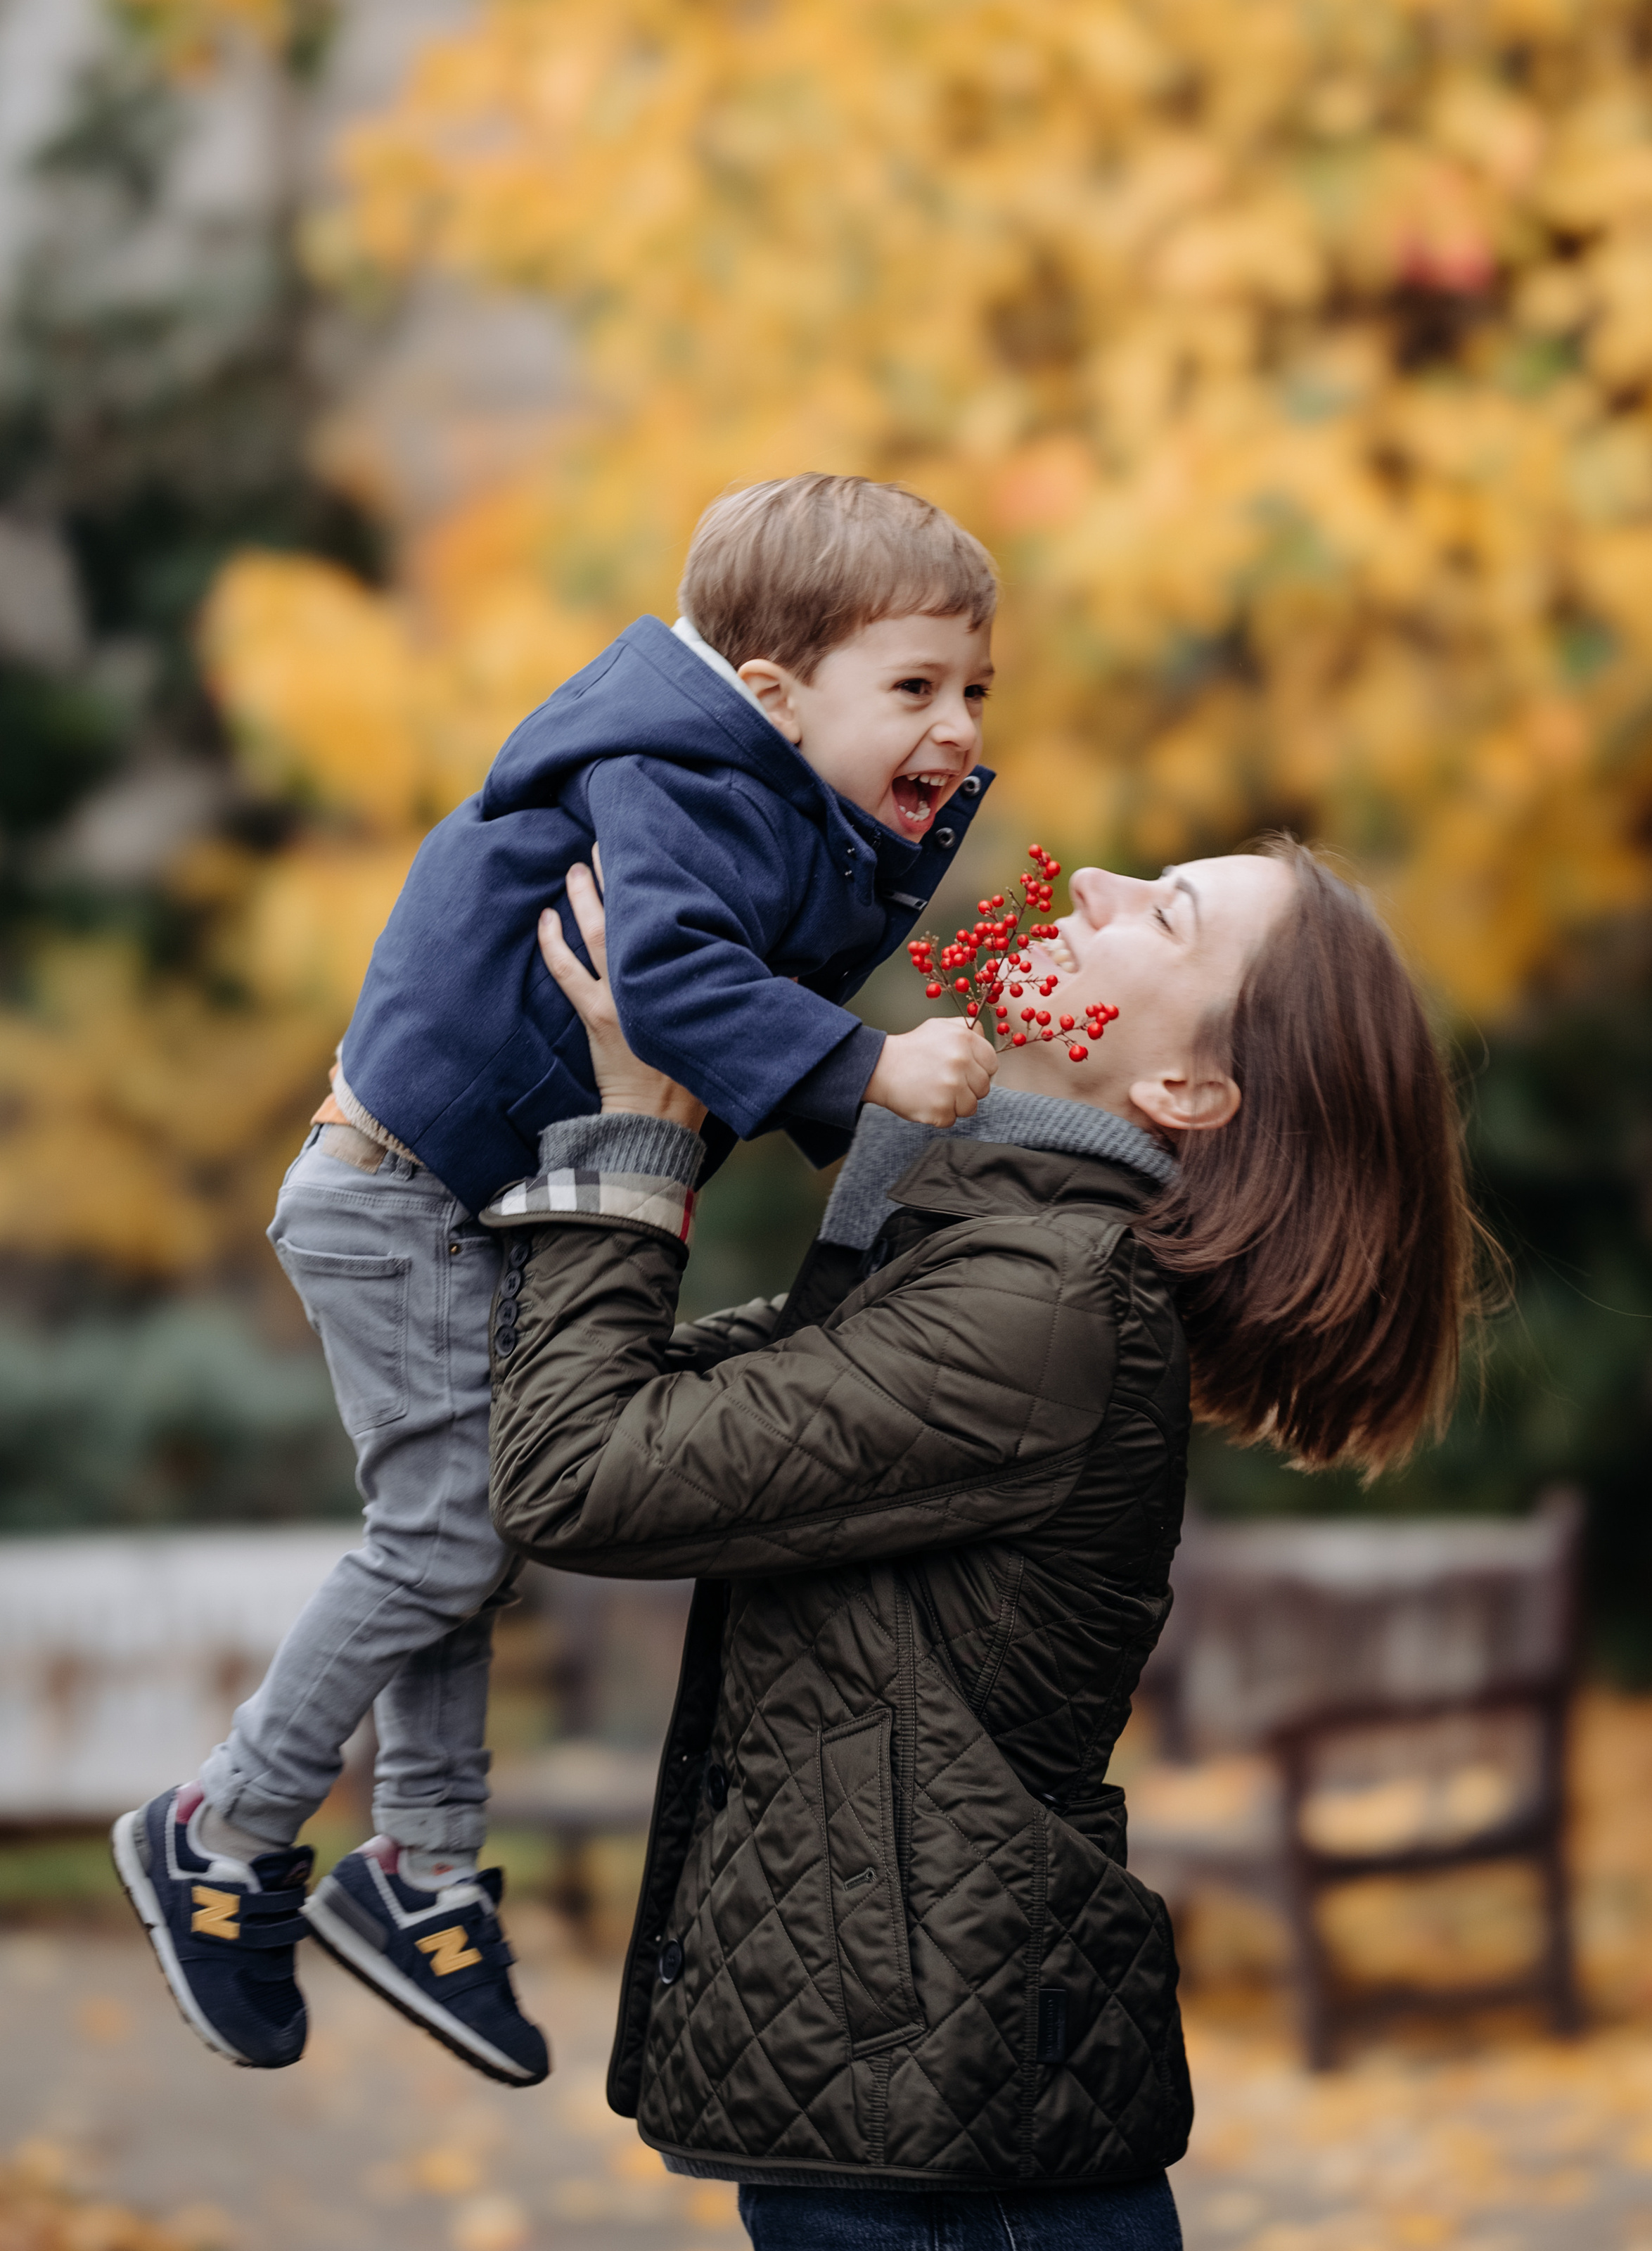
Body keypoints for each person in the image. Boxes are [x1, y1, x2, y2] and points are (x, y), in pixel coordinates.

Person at [113, 475, 1004, 2086]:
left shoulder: (764, 792)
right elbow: (667, 981)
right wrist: (873, 1070)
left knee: (464, 1522)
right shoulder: (674, 769)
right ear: (773, 689)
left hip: (461, 1200)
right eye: (915, 687)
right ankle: (220, 1825)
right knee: (452, 1527)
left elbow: (755, 955)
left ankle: (423, 1870)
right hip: (401, 1197)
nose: (952, 727)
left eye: (971, 692)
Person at [480, 838, 1477, 2245]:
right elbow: (585, 1411)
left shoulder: (1043, 1306)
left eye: (1162, 912)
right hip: (930, 2110)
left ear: (1181, 1090)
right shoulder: (967, 1259)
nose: (1091, 889)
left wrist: (639, 1131)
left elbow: (577, 1469)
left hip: (958, 2152)